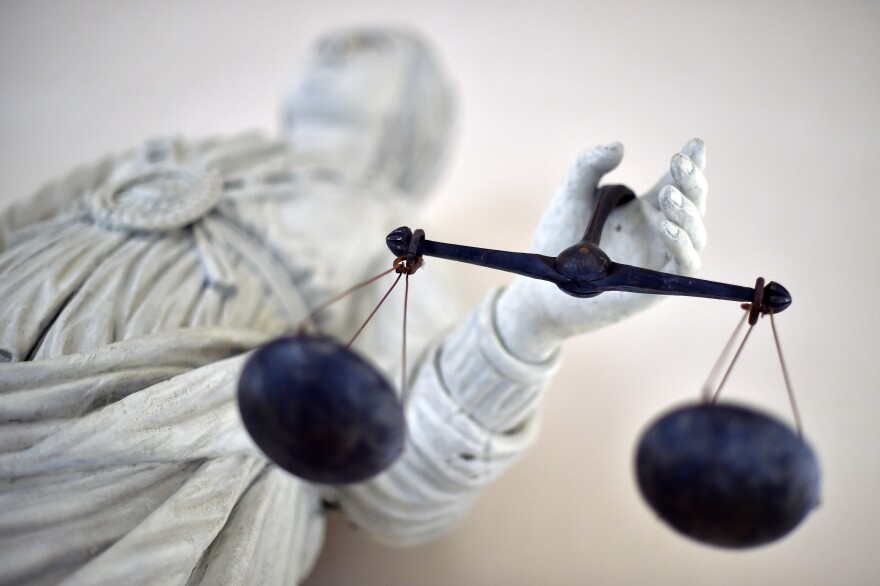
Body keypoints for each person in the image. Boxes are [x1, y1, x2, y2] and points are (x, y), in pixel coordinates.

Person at [0, 28, 708, 584]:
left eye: (376, 50)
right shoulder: (178, 152)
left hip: (125, 489)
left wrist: (530, 320)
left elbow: (396, 487)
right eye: (330, 45)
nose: (336, 48)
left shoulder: (392, 237)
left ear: (414, 113)